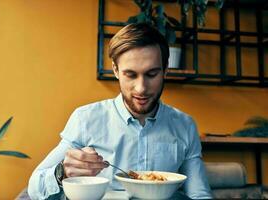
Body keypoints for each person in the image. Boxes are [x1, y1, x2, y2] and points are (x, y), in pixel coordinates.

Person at [28, 23, 212, 199]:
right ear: (116, 70)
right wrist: (62, 172)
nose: (141, 88)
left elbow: (199, 195)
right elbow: (34, 188)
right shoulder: (85, 119)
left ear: (165, 70)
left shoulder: (185, 125)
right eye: (130, 75)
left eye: (151, 74)